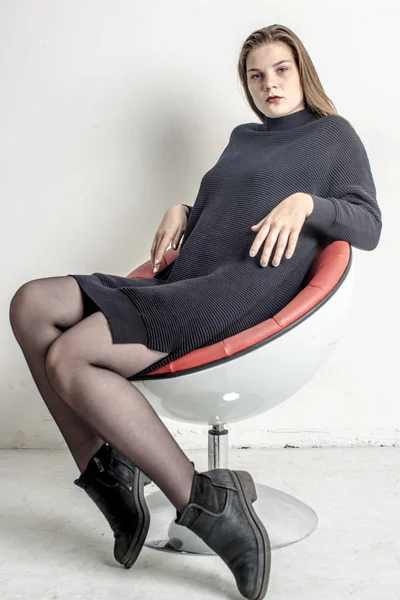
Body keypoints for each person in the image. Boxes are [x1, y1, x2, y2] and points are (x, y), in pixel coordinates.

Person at [8, 23, 382, 600]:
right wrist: (183, 208)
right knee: (30, 304)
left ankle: (204, 504)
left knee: (70, 358)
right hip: (186, 276)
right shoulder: (243, 136)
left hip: (237, 292)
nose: (269, 84)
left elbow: (369, 225)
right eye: (256, 76)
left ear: (302, 71)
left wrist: (310, 203)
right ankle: (113, 483)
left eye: (281, 70)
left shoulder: (334, 137)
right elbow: (222, 205)